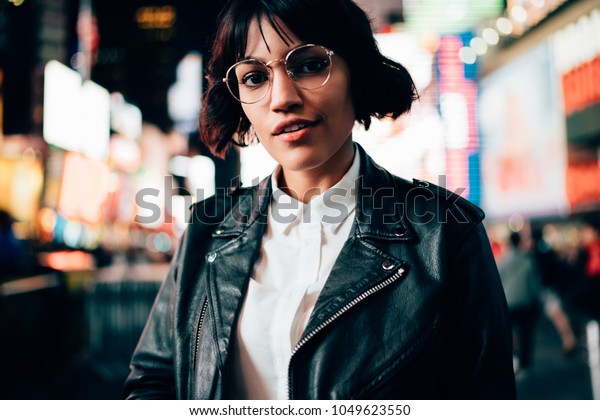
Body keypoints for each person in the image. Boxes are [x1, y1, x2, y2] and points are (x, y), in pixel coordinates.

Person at [124, 0, 515, 399]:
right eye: (255, 77)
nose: (282, 98)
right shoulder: (207, 231)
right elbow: (154, 380)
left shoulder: (446, 233)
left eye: (309, 64)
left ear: (357, 71)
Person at [498, 231, 542, 373]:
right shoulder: (527, 260)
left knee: (508, 335)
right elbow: (534, 283)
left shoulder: (501, 261)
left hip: (508, 303)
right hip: (525, 303)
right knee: (526, 335)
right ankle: (525, 363)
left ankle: (511, 360)